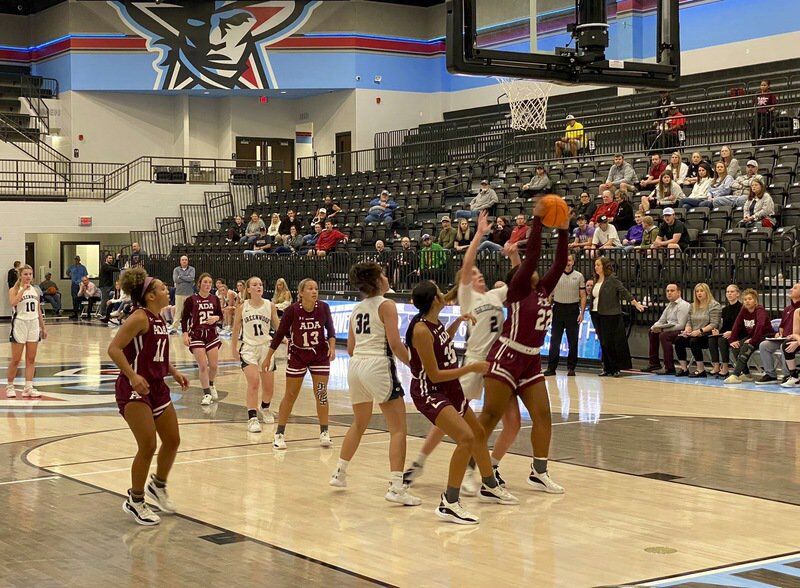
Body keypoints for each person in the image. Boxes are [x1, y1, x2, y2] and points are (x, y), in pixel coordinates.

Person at [404, 212, 522, 495]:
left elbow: (518, 282)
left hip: (497, 365)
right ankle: (420, 462)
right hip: (473, 362)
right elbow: (467, 262)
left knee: (512, 424)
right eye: (472, 274)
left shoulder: (496, 295)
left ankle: (483, 470)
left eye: (480, 273)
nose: (477, 274)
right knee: (453, 419)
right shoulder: (469, 297)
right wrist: (479, 235)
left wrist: (514, 255)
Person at [477, 203, 569, 497]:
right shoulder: (518, 288)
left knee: (543, 415)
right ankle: (473, 469)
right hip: (506, 355)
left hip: (530, 359)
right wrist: (538, 221)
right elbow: (533, 257)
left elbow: (559, 262)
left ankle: (539, 472)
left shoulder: (543, 289)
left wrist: (565, 230)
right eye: (528, 267)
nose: (535, 269)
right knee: (491, 417)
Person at [406, 280, 517, 525]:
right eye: (438, 291)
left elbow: (443, 342)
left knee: (477, 432)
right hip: (430, 391)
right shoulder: (422, 330)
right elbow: (433, 374)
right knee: (466, 438)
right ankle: (450, 502)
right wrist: (471, 367)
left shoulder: (436, 322)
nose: (443, 293)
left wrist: (458, 322)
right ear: (434, 300)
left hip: (449, 388)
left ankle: (489, 485)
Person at [329, 263, 422, 506]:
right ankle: (396, 487)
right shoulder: (386, 304)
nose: (386, 276)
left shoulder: (356, 307)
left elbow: (349, 348)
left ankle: (339, 472)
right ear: (376, 280)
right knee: (398, 429)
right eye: (382, 273)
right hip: (377, 364)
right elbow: (394, 344)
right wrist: (414, 365)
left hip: (356, 366)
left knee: (359, 423)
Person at [107, 267, 189, 526]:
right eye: (163, 288)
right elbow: (114, 349)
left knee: (173, 440)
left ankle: (159, 486)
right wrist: (132, 375)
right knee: (148, 445)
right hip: (134, 388)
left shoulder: (159, 318)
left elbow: (157, 353)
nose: (167, 291)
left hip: (157, 386)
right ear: (151, 296)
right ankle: (136, 499)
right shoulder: (139, 318)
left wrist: (173, 371)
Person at [264, 278, 336, 449]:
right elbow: (279, 334)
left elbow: (331, 330)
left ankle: (324, 432)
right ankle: (279, 433)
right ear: (301, 292)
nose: (314, 291)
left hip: (319, 356)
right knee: (290, 395)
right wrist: (268, 357)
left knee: (321, 393)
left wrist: (332, 348)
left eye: (316, 288)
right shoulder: (292, 310)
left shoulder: (324, 307)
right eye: (310, 288)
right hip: (298, 356)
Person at [231, 277, 280, 432]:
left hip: (266, 348)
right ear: (248, 289)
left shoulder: (270, 305)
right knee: (253, 382)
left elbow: (278, 326)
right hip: (249, 348)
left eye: (260, 284)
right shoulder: (242, 307)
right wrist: (233, 348)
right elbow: (236, 328)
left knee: (269, 389)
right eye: (254, 284)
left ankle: (264, 408)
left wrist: (286, 338)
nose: (258, 286)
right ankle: (252, 418)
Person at [586, 257, 646, 376]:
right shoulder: (596, 280)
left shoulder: (612, 279)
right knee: (603, 342)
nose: (595, 267)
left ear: (604, 266)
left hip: (609, 314)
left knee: (609, 342)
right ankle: (607, 367)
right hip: (595, 313)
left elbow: (623, 291)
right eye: (595, 265)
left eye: (598, 265)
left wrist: (635, 303)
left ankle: (615, 368)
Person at [181, 273, 222, 406]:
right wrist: (185, 334)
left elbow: (220, 315)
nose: (208, 285)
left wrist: (216, 318)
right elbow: (184, 318)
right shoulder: (191, 300)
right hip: (197, 334)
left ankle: (211, 384)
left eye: (210, 282)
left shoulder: (215, 299)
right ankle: (206, 393)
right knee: (203, 365)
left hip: (211, 334)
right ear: (199, 284)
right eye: (205, 282)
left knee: (214, 366)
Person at [6, 264, 46, 398]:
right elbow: (13, 303)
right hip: (20, 324)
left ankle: (28, 387)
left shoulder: (35, 290)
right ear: (20, 276)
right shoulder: (14, 289)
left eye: (30, 274)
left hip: (33, 324)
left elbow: (38, 310)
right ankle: (10, 386)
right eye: (25, 274)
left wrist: (43, 327)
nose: (28, 277)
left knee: (31, 358)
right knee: (16, 359)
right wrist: (23, 290)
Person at [544, 254, 586, 377]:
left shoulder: (579, 276)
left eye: (569, 260)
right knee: (555, 340)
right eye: (565, 260)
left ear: (573, 262)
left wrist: (582, 313)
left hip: (572, 309)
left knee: (572, 341)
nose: (567, 262)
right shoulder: (555, 274)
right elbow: (550, 294)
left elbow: (583, 295)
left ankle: (571, 368)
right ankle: (551, 368)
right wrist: (547, 309)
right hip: (558, 309)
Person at [724, 289, 775, 384]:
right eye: (745, 299)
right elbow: (737, 324)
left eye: (750, 299)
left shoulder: (760, 310)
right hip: (752, 336)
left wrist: (752, 340)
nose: (747, 301)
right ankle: (746, 374)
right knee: (736, 347)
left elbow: (760, 326)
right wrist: (733, 340)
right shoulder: (744, 310)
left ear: (755, 301)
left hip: (764, 336)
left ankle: (735, 374)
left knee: (746, 347)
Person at [754, 282, 800, 385]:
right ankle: (771, 375)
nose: (791, 289)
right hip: (783, 338)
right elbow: (782, 326)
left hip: (794, 339)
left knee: (786, 346)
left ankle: (787, 375)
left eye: (795, 288)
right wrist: (779, 333)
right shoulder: (787, 309)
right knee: (764, 345)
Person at [674, 283, 723, 378]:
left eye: (701, 291)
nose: (699, 293)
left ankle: (700, 369)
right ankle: (684, 368)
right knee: (678, 340)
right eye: (697, 291)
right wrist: (688, 328)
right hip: (694, 333)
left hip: (707, 335)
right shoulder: (693, 306)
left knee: (694, 341)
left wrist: (700, 331)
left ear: (707, 292)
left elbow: (714, 323)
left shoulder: (714, 305)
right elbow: (689, 321)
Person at [643, 284, 690, 375]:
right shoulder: (669, 305)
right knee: (652, 332)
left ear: (679, 293)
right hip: (670, 329)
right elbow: (661, 320)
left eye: (672, 291)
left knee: (664, 335)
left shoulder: (683, 305)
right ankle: (654, 363)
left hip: (681, 330)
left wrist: (662, 330)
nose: (669, 293)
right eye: (667, 291)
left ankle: (669, 367)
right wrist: (654, 327)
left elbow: (681, 325)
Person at [709, 284, 742, 379]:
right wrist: (717, 331)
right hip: (726, 333)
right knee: (712, 339)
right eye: (728, 292)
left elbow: (741, 326)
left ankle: (725, 367)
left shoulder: (741, 308)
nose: (729, 294)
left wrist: (732, 332)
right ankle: (716, 366)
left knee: (721, 340)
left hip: (737, 334)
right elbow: (724, 326)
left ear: (737, 294)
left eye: (732, 292)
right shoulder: (725, 309)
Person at [170, 255, 195, 332]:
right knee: (178, 310)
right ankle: (175, 326)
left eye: (186, 260)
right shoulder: (176, 269)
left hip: (189, 293)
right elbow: (175, 280)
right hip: (179, 293)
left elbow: (191, 278)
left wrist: (180, 276)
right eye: (183, 260)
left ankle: (190, 326)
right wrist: (186, 277)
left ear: (188, 261)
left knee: (190, 311)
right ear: (180, 261)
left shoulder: (192, 269)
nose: (184, 261)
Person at [780, 308, 800, 387]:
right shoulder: (797, 311)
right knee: (786, 344)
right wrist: (798, 341)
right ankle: (794, 377)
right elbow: (795, 333)